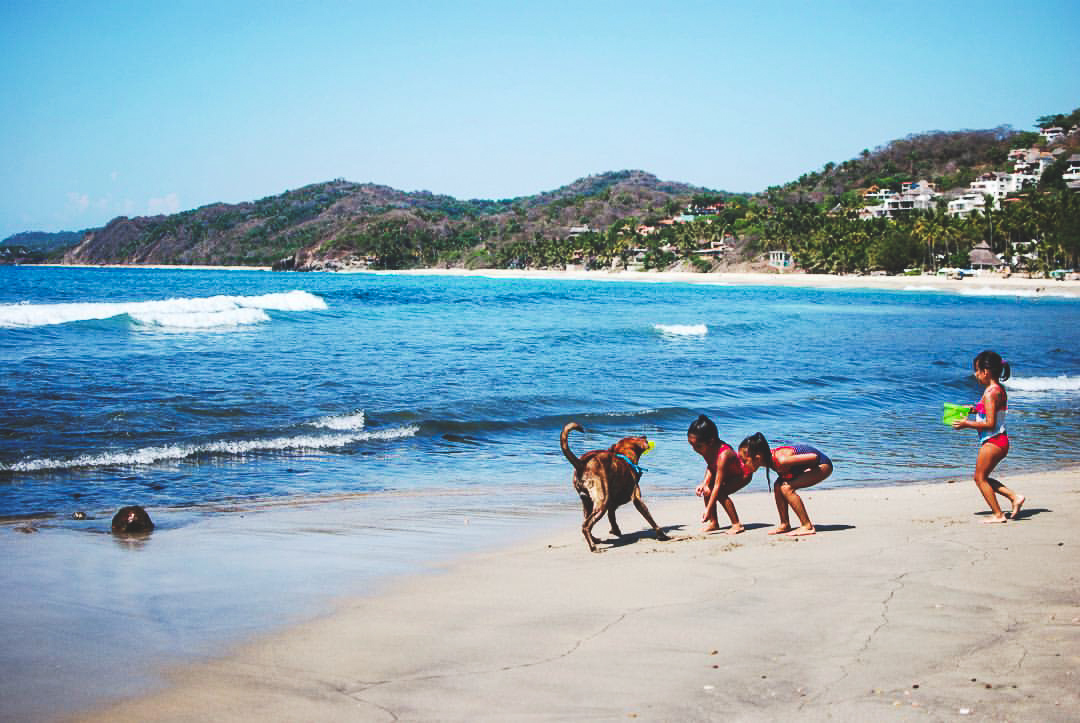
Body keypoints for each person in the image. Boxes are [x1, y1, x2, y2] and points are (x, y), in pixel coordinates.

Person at [951, 350, 1025, 523]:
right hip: (998, 440)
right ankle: (1015, 497)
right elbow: (988, 411)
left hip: (994, 441)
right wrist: (972, 409)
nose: (975, 375)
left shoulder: (991, 393)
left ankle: (998, 514)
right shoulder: (996, 389)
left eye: (977, 371)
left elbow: (990, 423)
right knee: (982, 477)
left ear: (986, 371)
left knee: (979, 478)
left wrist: (966, 424)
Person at [739, 432, 832, 536]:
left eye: (744, 461)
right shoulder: (769, 459)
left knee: (786, 488)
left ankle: (807, 526)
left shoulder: (781, 460)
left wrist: (802, 472)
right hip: (808, 465)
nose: (742, 464)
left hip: (822, 465)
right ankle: (785, 524)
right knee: (777, 486)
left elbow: (814, 457)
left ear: (757, 458)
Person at [687, 414, 752, 534]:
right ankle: (714, 523)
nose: (694, 449)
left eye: (698, 446)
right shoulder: (707, 449)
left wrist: (708, 509)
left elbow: (717, 486)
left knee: (721, 493)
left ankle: (736, 524)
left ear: (710, 441)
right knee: (707, 490)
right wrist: (704, 483)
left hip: (742, 474)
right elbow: (711, 466)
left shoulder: (724, 455)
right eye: (691, 445)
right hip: (725, 472)